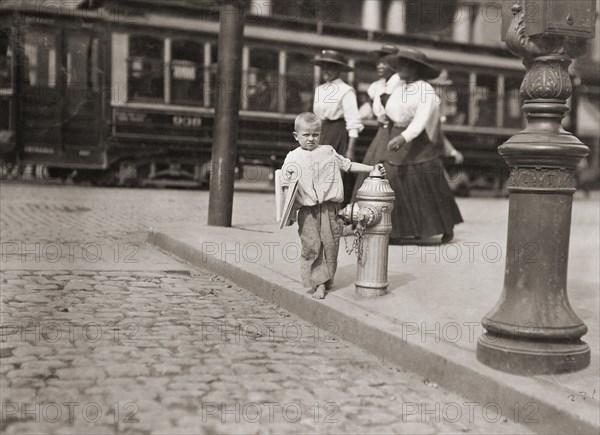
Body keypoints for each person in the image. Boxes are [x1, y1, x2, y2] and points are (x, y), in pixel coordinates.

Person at [281, 112, 385, 299]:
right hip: (307, 210)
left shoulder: (328, 152)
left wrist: (371, 168)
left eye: (316, 134)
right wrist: (287, 213)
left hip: (330, 208)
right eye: (306, 135)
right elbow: (286, 188)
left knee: (330, 244)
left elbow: (348, 165)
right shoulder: (292, 158)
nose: (311, 139)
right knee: (311, 245)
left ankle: (325, 278)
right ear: (296, 136)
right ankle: (318, 282)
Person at [380, 48, 463, 244]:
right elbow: (386, 104)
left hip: (417, 140)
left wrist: (403, 138)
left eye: (405, 65)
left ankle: (446, 226)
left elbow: (420, 121)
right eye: (399, 64)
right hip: (396, 134)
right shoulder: (398, 86)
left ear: (416, 69)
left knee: (427, 183)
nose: (399, 68)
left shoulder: (425, 90)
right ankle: (397, 231)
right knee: (392, 180)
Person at [311, 50, 364, 205]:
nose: (326, 70)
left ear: (339, 70)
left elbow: (353, 121)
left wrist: (350, 149)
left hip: (338, 133)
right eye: (324, 66)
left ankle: (339, 212)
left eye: (331, 67)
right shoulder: (319, 89)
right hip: (322, 132)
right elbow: (316, 116)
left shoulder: (346, 91)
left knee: (338, 173)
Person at [352, 44, 402, 200]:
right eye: (379, 62)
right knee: (372, 165)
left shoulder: (400, 83)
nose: (380, 66)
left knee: (387, 170)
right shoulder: (376, 87)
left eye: (385, 63)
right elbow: (371, 108)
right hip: (382, 132)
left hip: (395, 132)